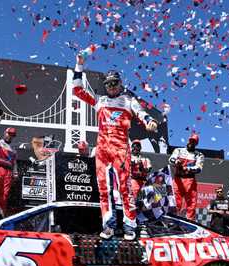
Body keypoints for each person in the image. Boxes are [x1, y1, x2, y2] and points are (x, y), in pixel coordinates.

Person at [73, 54, 158, 240]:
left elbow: (142, 113)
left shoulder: (128, 100)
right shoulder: (100, 101)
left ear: (120, 83)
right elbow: (77, 91)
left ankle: (130, 225)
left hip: (121, 149)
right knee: (104, 188)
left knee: (125, 188)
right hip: (103, 149)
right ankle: (108, 225)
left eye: (115, 83)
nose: (111, 87)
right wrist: (79, 65)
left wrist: (149, 121)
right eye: (108, 84)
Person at [169, 133, 204, 220]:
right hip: (178, 179)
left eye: (194, 141)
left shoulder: (199, 155)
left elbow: (199, 168)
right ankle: (172, 220)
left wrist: (187, 169)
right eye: (191, 140)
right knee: (175, 202)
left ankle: (190, 222)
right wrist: (176, 162)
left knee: (192, 203)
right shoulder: (179, 150)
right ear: (188, 140)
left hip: (190, 180)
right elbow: (171, 159)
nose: (192, 143)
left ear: (196, 144)